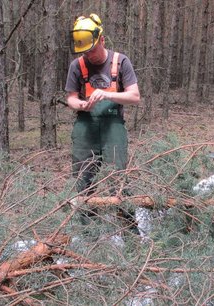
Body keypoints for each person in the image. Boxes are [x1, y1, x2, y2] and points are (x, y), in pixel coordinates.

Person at [65, 14, 140, 225]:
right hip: (85, 127)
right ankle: (88, 236)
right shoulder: (76, 66)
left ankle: (130, 235)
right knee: (83, 182)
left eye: (93, 50)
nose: (90, 55)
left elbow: (134, 96)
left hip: (113, 127)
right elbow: (70, 98)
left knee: (118, 181)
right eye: (85, 52)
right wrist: (81, 104)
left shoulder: (120, 61)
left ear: (102, 40)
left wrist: (107, 94)